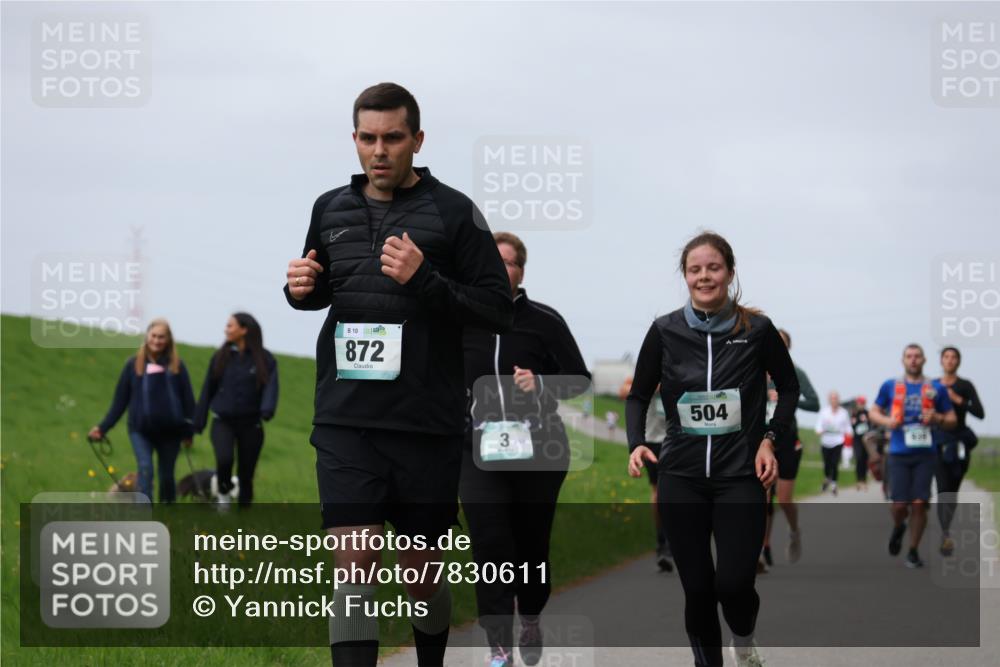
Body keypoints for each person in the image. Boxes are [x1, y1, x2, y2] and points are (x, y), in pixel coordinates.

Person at [283, 82, 513, 667]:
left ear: (417, 139)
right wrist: (298, 292)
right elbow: (326, 288)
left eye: (392, 138)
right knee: (354, 569)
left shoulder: (454, 212)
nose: (379, 150)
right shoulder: (328, 207)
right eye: (367, 138)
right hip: (345, 422)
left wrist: (425, 280)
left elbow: (496, 307)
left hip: (424, 426)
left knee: (421, 579)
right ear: (355, 140)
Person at [626, 231, 798, 667]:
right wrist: (636, 445)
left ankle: (743, 640)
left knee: (734, 585)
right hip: (681, 476)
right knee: (698, 589)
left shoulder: (757, 331)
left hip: (739, 476)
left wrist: (769, 439)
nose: (704, 277)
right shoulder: (665, 330)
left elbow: (789, 387)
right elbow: (637, 395)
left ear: (730, 272)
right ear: (685, 276)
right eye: (695, 269)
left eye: (713, 268)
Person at [460, 232, 590, 667]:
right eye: (492, 260)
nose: (501, 268)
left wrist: (542, 384)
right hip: (479, 449)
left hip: (540, 450)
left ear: (521, 271)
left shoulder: (544, 321)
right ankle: (498, 644)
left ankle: (530, 615)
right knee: (490, 544)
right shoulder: (460, 319)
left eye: (510, 262)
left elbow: (579, 381)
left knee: (531, 547)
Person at [88, 318, 195, 503]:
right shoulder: (133, 365)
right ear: (147, 336)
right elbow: (120, 402)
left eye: (161, 337)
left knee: (166, 475)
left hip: (171, 432)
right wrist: (102, 428)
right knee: (145, 469)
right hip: (140, 430)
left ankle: (168, 515)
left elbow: (188, 401)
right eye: (153, 336)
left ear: (168, 339)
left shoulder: (177, 366)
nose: (156, 340)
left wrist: (189, 432)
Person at [869, 344, 956, 568]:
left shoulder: (936, 388)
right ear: (903, 360)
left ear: (924, 360)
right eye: (909, 356)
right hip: (898, 453)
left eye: (917, 356)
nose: (914, 360)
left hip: (926, 455)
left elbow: (952, 418)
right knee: (899, 505)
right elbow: (873, 412)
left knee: (919, 504)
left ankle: (913, 551)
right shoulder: (891, 385)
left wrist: (937, 417)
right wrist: (888, 422)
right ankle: (899, 527)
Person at [193, 313, 278, 506]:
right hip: (223, 421)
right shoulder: (220, 357)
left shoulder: (265, 359)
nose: (226, 329)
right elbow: (208, 389)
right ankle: (223, 498)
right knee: (224, 459)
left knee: (246, 472)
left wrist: (267, 409)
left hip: (251, 424)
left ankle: (244, 510)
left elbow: (272, 386)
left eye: (230, 326)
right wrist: (197, 422)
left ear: (244, 329)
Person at [760, 329, 819, 567]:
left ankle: (794, 531)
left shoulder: (795, 372)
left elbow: (814, 403)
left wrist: (789, 400)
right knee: (762, 498)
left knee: (784, 500)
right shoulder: (754, 370)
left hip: (787, 438)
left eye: (781, 344)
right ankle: (762, 548)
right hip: (761, 439)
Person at [935, 346, 985, 556]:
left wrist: (959, 401)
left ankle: (947, 525)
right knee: (943, 489)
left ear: (958, 361)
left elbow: (980, 413)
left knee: (952, 490)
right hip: (939, 442)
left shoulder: (965, 385)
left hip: (960, 442)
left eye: (954, 357)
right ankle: (945, 534)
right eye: (946, 357)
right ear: (941, 361)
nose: (950, 360)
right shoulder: (932, 385)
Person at [643, 384, 675, 573]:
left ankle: (669, 543)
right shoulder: (650, 368)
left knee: (675, 493)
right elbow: (625, 390)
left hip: (678, 439)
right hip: (654, 440)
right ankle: (662, 542)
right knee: (658, 492)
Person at [814, 391, 852, 496]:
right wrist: (818, 430)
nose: (834, 400)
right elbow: (818, 425)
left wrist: (849, 434)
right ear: (829, 400)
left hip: (838, 441)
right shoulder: (824, 412)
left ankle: (834, 484)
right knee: (827, 463)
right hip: (826, 441)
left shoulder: (843, 412)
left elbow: (848, 426)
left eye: (836, 398)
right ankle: (827, 478)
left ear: (838, 400)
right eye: (832, 398)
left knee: (835, 463)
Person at [851, 397, 872, 491]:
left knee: (865, 460)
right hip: (857, 440)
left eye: (862, 403)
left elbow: (871, 425)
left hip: (866, 440)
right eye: (859, 403)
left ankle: (864, 481)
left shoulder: (868, 413)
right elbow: (853, 425)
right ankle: (858, 480)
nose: (861, 405)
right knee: (859, 459)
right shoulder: (854, 413)